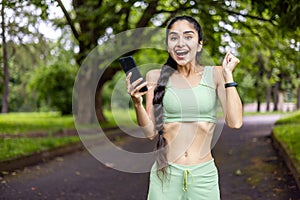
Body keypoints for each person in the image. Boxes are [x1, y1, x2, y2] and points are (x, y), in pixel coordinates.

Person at [125, 15, 243, 200]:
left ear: (199, 44)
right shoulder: (155, 76)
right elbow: (149, 133)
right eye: (173, 38)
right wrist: (137, 103)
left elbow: (235, 122)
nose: (180, 43)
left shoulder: (216, 74)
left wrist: (228, 76)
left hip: (204, 176)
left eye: (188, 36)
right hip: (165, 175)